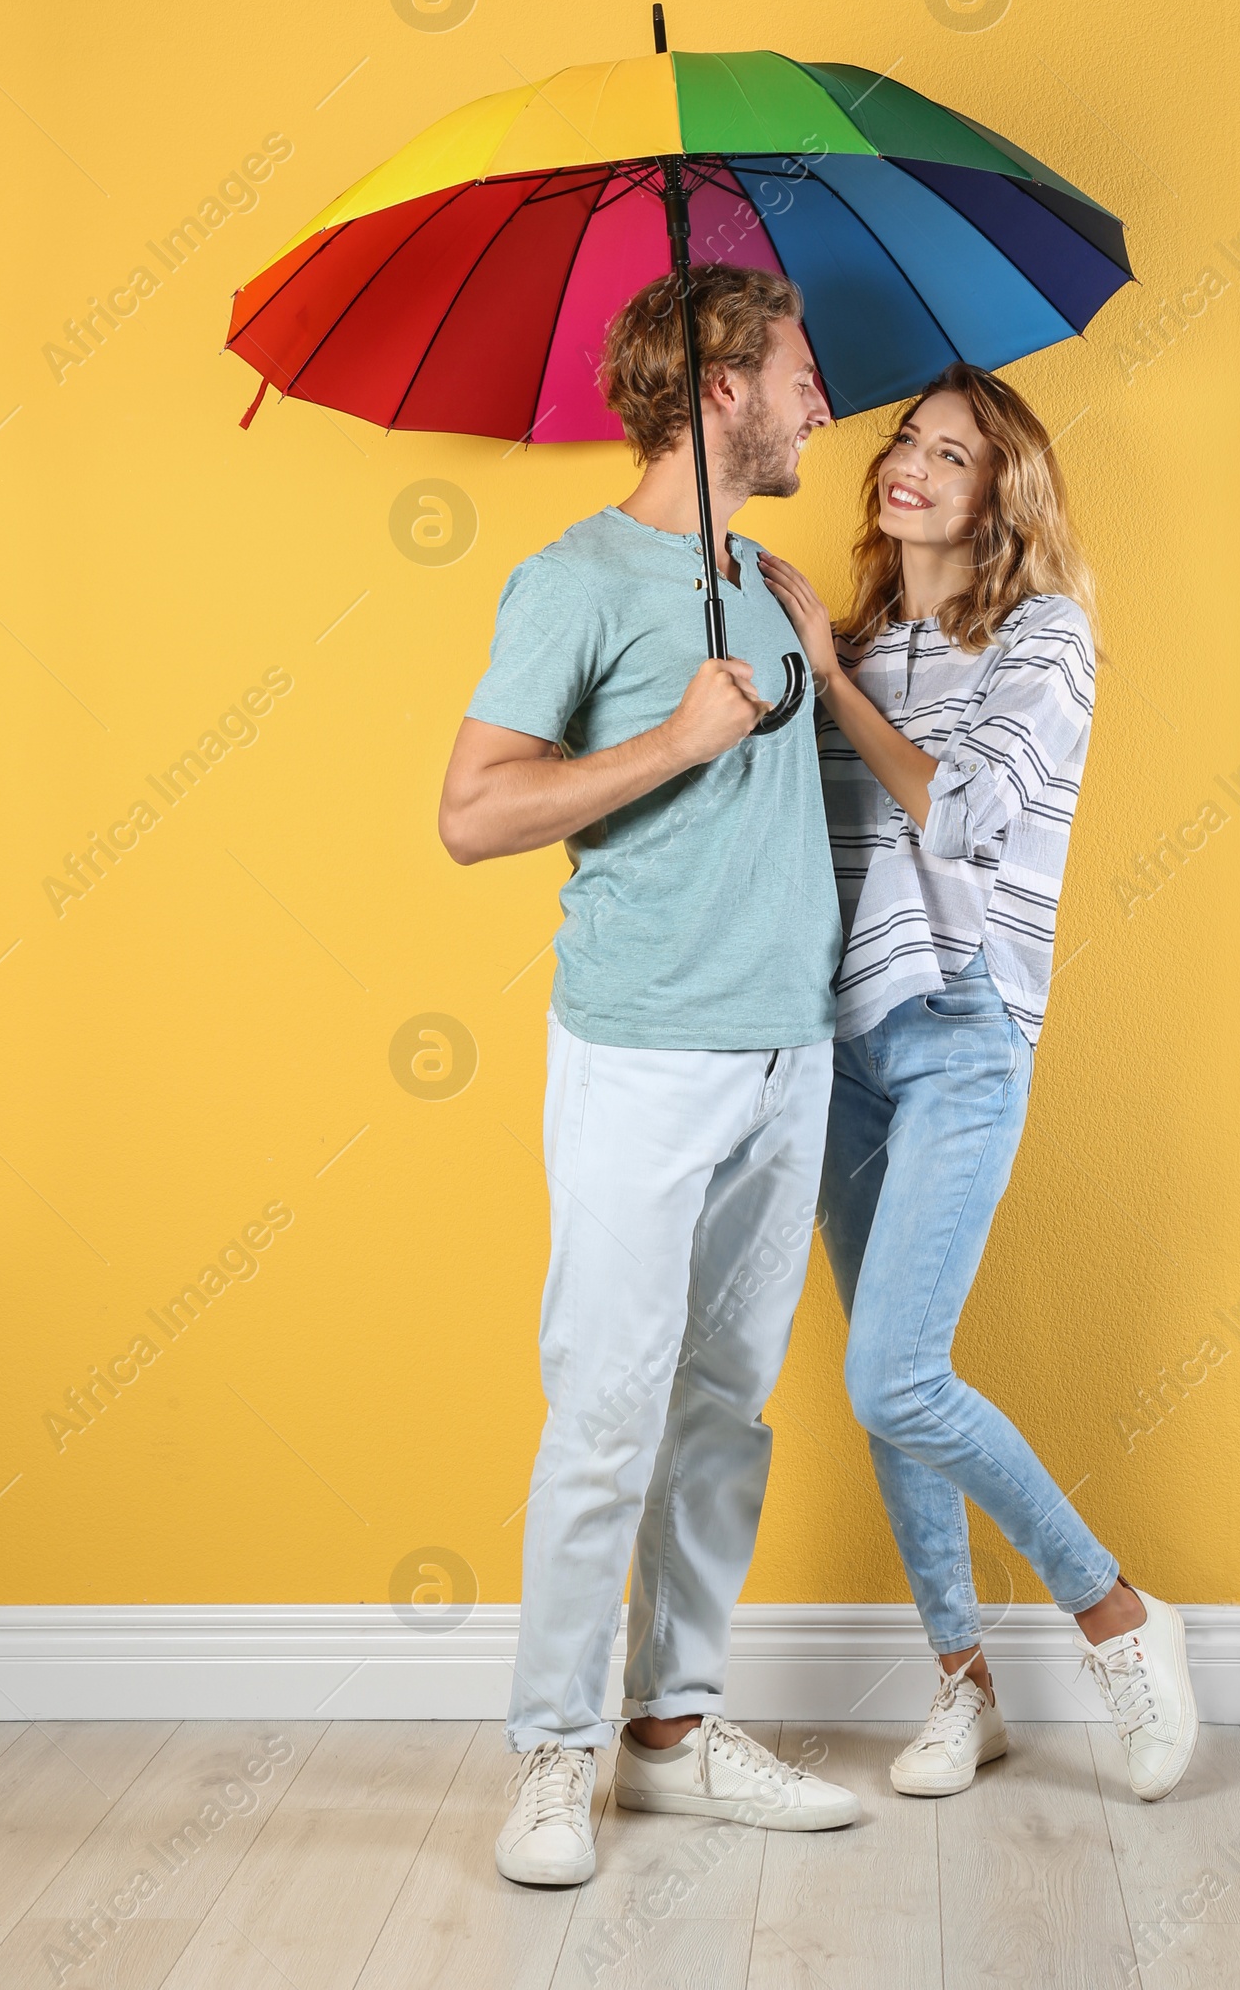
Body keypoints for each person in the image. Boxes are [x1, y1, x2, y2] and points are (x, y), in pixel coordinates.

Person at [439, 265, 861, 1888]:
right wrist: (671, 744)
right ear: (719, 388)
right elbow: (475, 813)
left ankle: (672, 1732)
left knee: (722, 1412)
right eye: (802, 372)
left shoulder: (764, 580)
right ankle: (553, 1755)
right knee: (608, 1410)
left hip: (788, 1052)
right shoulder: (576, 585)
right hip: (641, 1058)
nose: (826, 401)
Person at [760, 363, 1200, 1805]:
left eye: (951, 455)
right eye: (905, 443)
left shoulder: (1045, 638)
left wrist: (822, 680)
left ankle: (1117, 1618)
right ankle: (964, 1684)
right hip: (840, 1045)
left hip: (960, 1033)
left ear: (999, 492)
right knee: (891, 1397)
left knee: (895, 1370)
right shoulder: (865, 633)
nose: (910, 467)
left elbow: (968, 815)